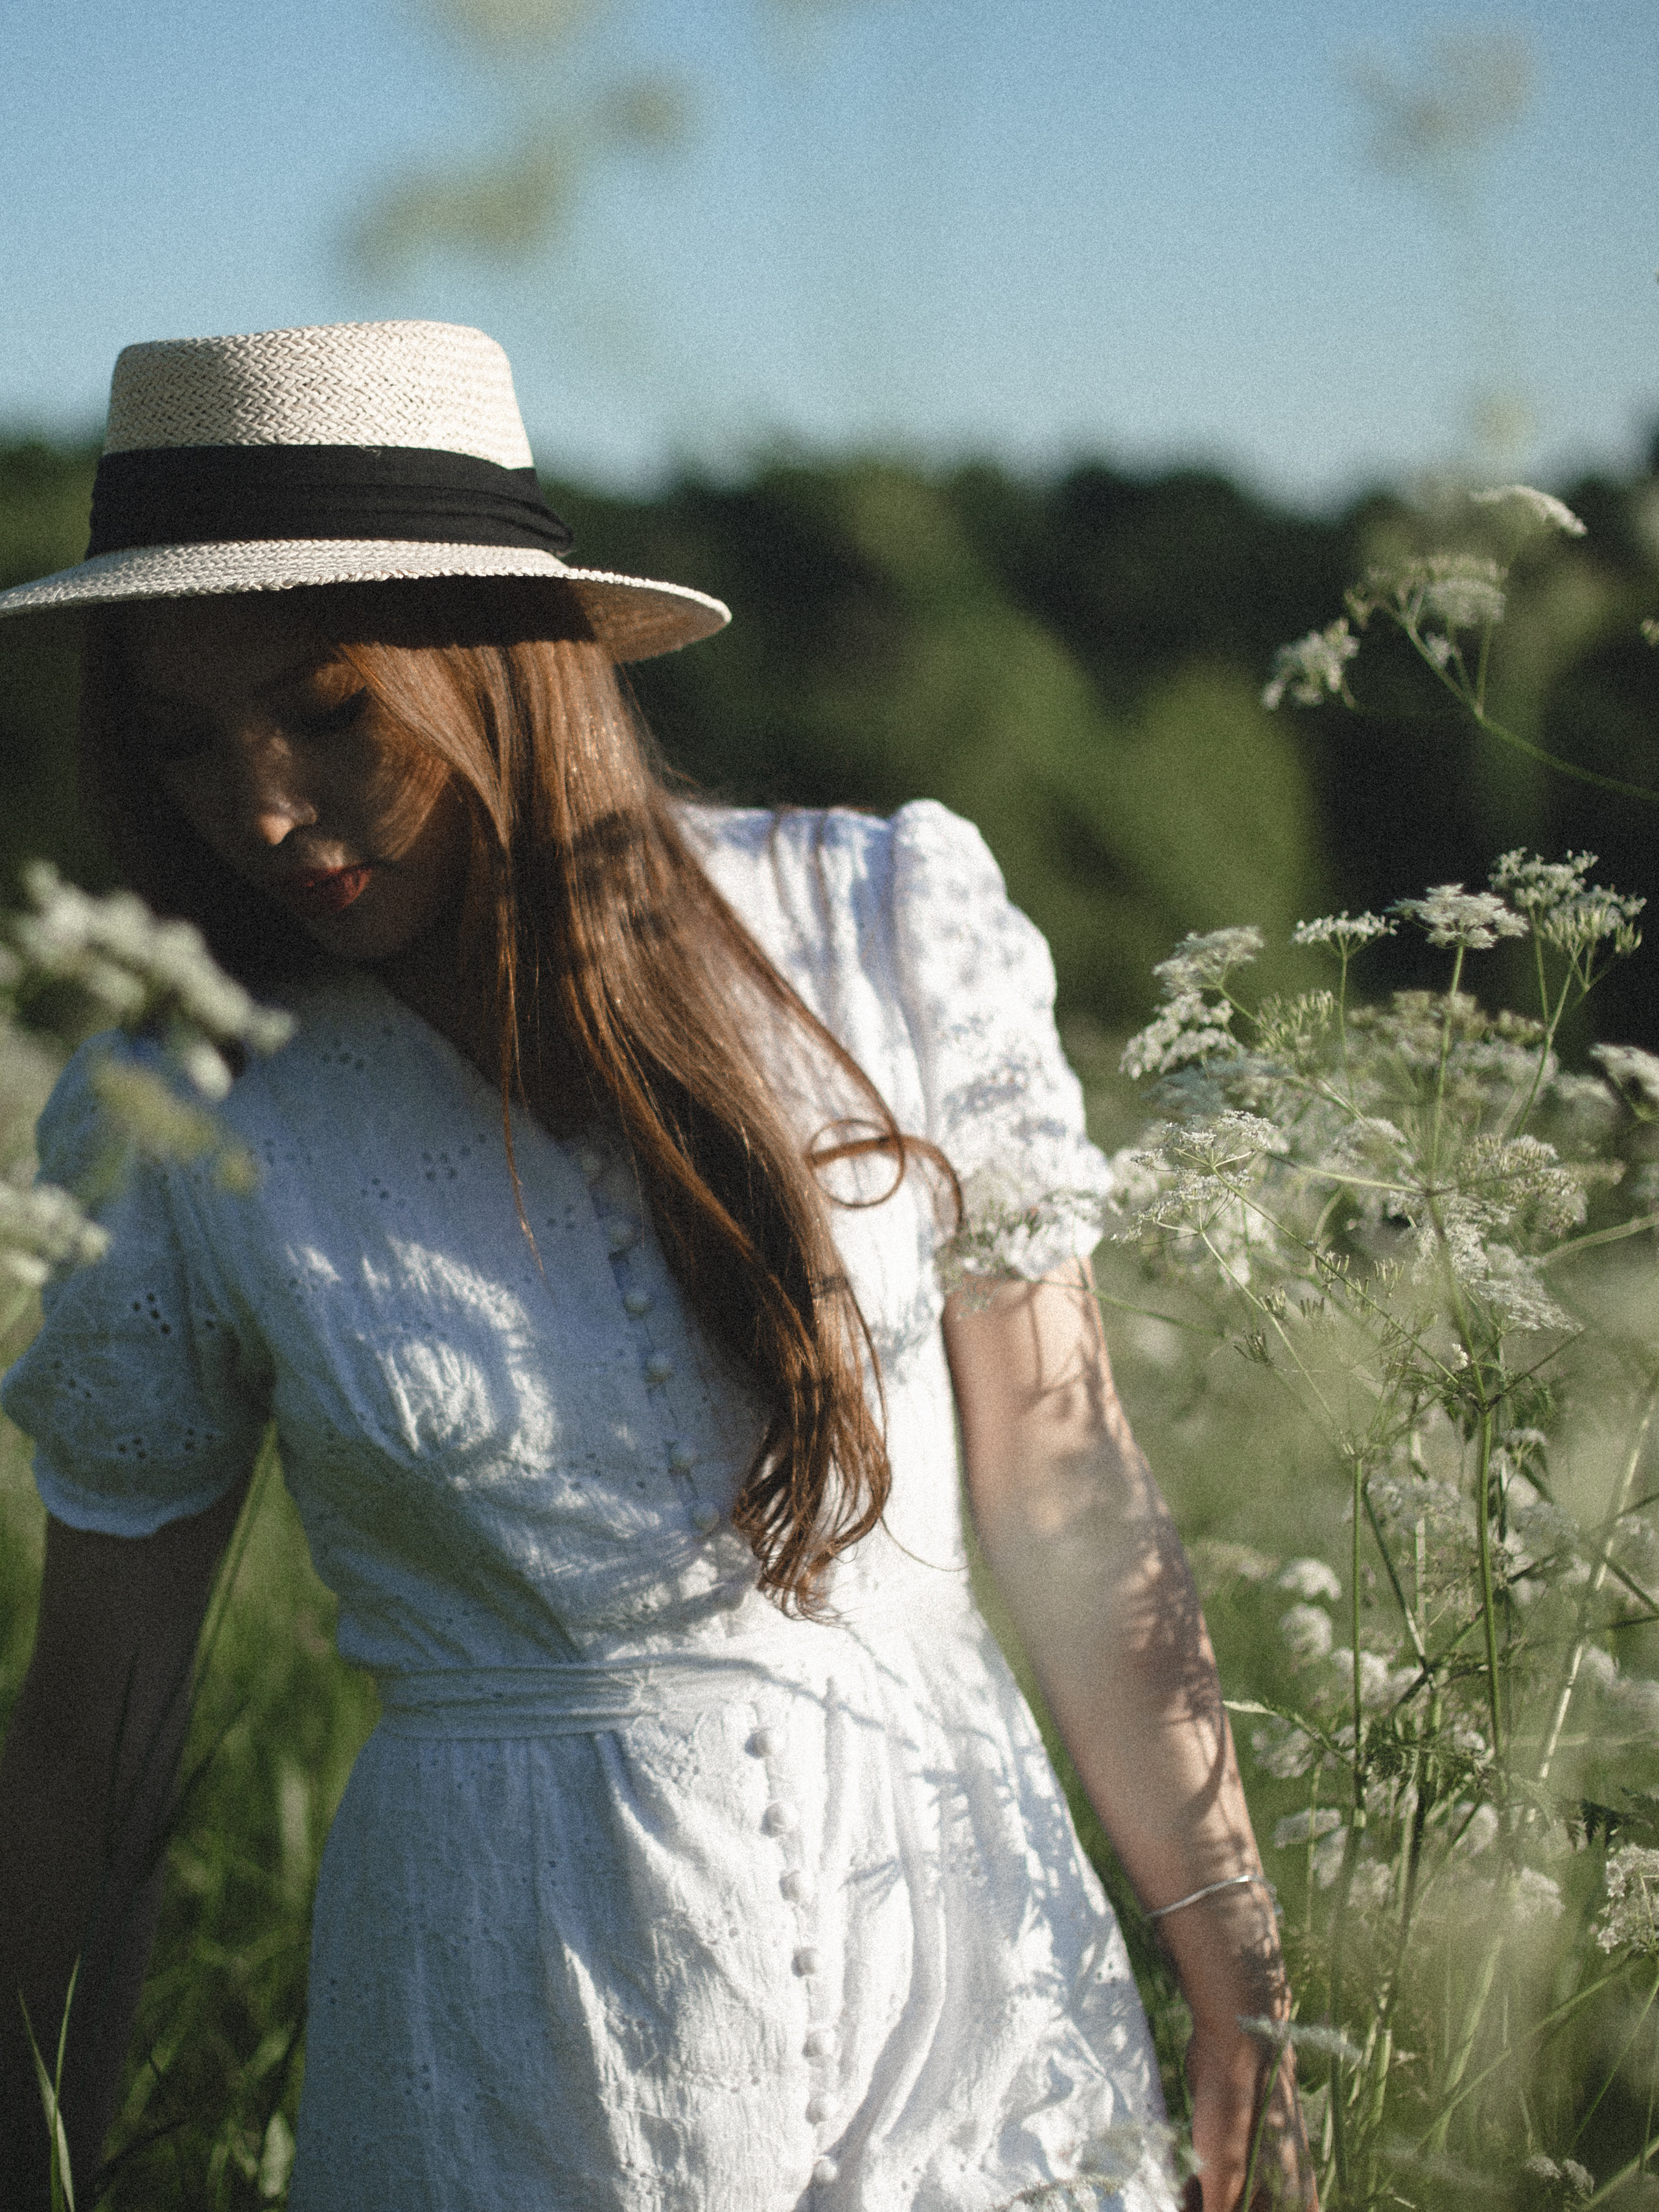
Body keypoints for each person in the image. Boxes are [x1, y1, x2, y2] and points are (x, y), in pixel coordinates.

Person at [0, 321, 1310, 2212]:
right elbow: (99, 1736)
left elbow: (1068, 1483)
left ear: (499, 666)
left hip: (975, 1992)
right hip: (510, 2042)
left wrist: (1228, 1940)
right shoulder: (184, 1110)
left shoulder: (884, 925)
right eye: (188, 740)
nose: (264, 808)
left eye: (330, 711)